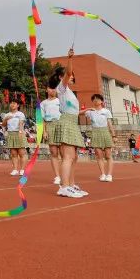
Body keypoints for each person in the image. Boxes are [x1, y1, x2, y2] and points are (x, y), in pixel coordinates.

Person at [50, 53, 87, 198]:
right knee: (68, 156)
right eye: (69, 75)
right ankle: (64, 187)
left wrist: (85, 111)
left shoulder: (70, 92)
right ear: (62, 77)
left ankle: (71, 185)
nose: (72, 76)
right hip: (66, 122)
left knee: (74, 157)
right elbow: (69, 72)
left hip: (72, 122)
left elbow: (74, 111)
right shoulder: (62, 87)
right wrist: (70, 59)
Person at [84, 94, 115, 182]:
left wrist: (113, 135)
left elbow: (109, 123)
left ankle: (109, 175)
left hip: (105, 131)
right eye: (94, 99)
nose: (96, 100)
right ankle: (102, 174)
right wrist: (88, 109)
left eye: (98, 99)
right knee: (99, 155)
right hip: (95, 132)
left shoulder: (106, 111)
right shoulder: (90, 112)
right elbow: (78, 113)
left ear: (102, 101)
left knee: (108, 155)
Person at [40, 86, 62, 183]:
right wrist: (44, 131)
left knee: (64, 153)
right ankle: (57, 176)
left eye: (54, 88)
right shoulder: (43, 103)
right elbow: (42, 119)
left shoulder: (60, 101)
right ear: (46, 90)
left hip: (61, 125)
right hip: (50, 126)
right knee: (54, 153)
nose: (52, 90)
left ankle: (66, 173)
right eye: (50, 88)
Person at [2, 99, 28, 176]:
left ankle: (22, 170)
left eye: (14, 103)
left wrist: (20, 131)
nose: (12, 104)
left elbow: (21, 123)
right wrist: (6, 119)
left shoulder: (21, 114)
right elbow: (3, 125)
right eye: (11, 103)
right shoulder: (7, 115)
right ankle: (15, 169)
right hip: (10, 134)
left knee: (21, 153)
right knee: (13, 153)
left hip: (19, 133)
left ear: (18, 105)